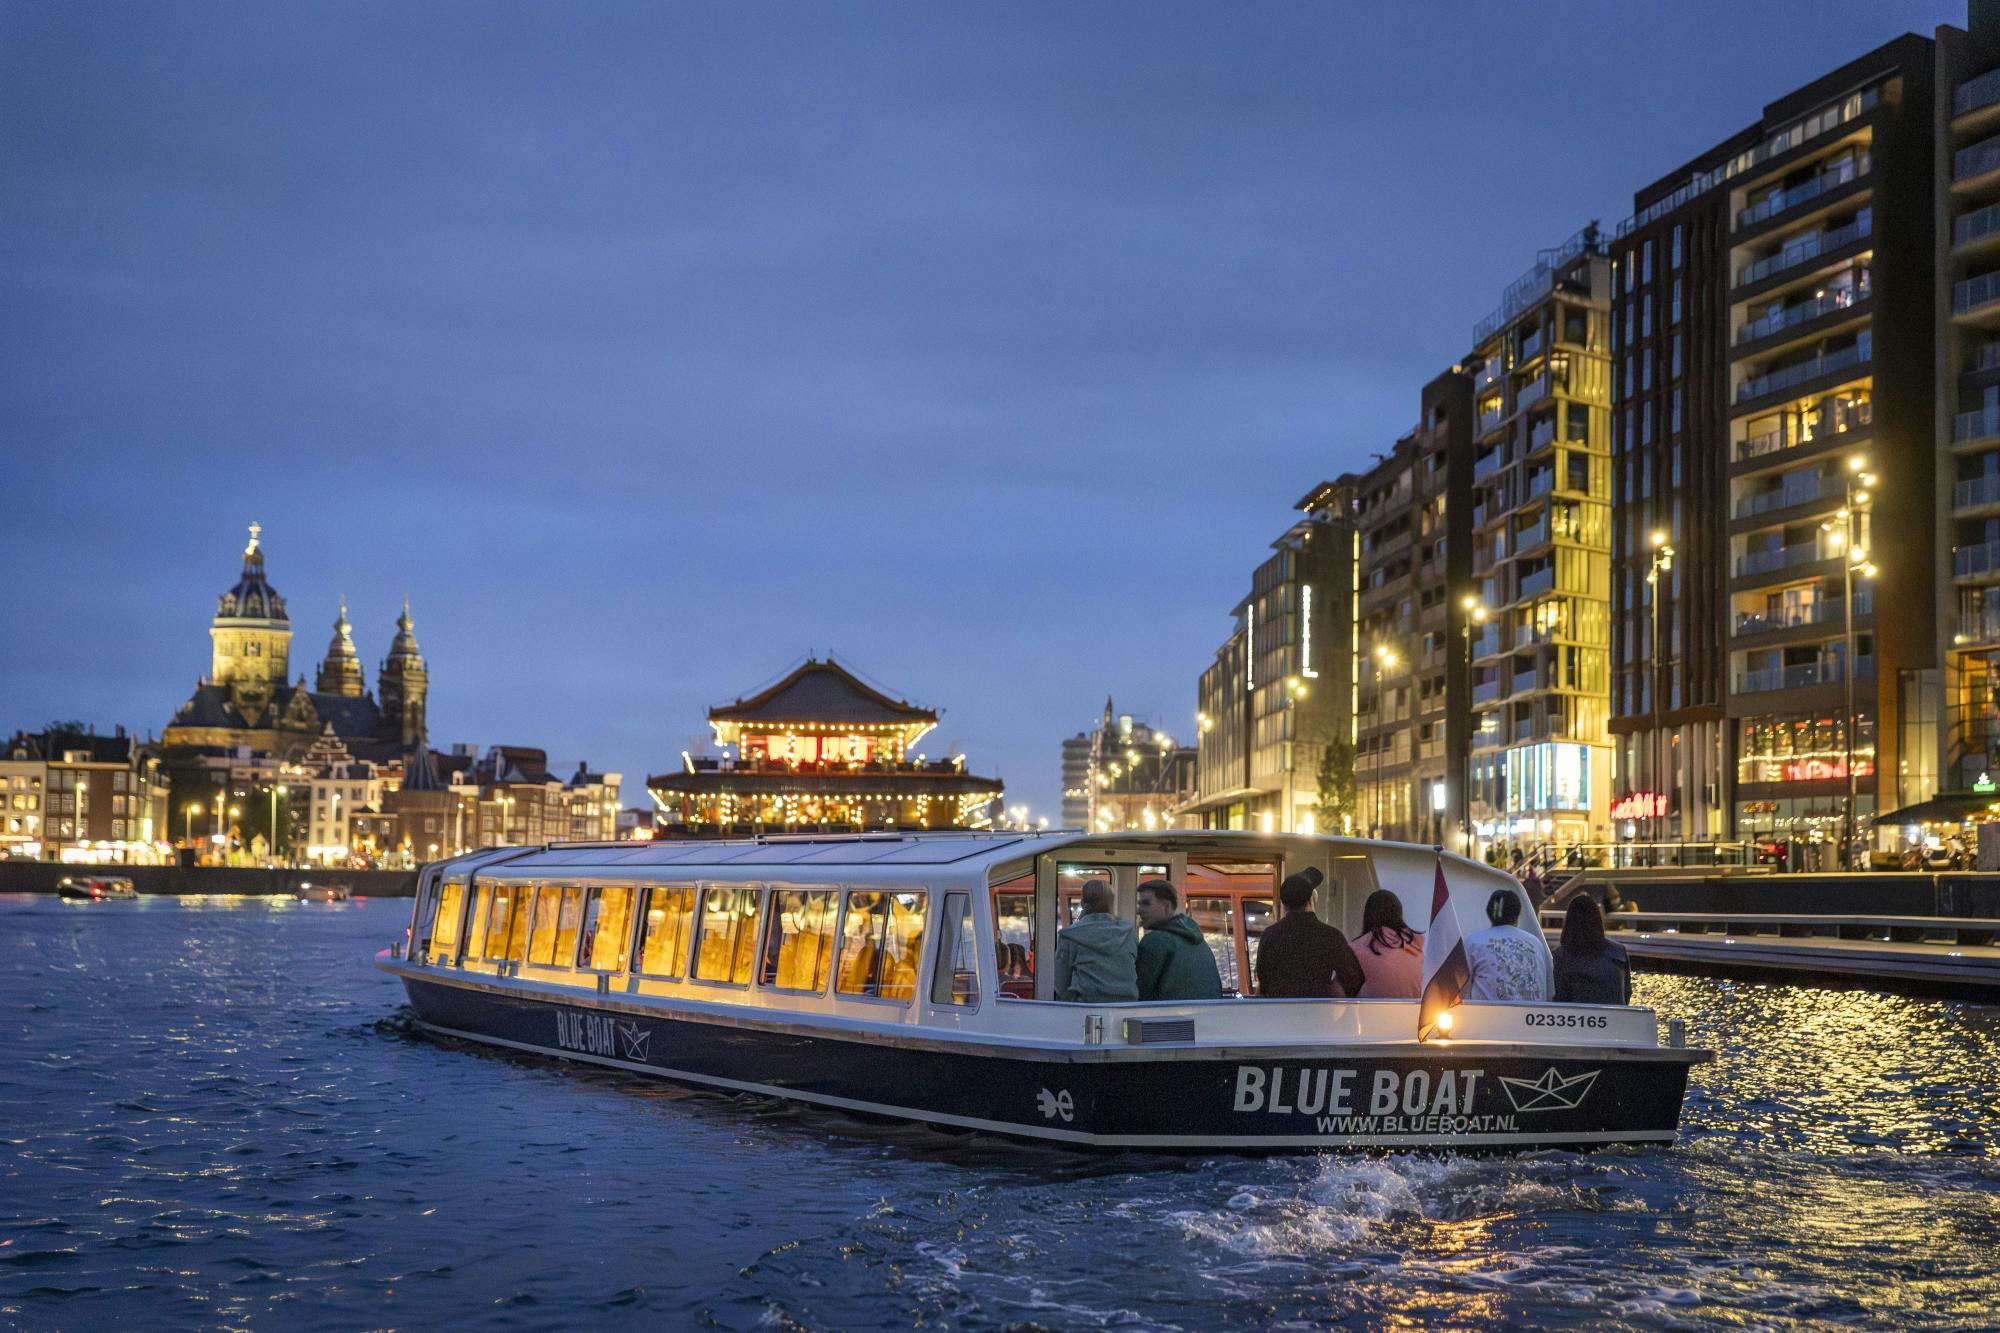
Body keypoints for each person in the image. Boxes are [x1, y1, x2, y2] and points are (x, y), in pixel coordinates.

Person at [1254, 867, 1364, 998]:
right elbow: (1354, 980)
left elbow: (1263, 979)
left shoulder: (1270, 935)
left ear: (1284, 904)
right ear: (1310, 900)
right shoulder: (1331, 936)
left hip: (1280, 1012)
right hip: (1318, 1012)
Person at [1134, 878, 1223, 1001]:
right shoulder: (1200, 942)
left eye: (1146, 903)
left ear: (1166, 906)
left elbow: (1139, 993)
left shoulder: (1155, 941)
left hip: (1167, 1017)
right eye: (1139, 904)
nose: (1139, 910)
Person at [1052, 879, 1138, 1002]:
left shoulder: (1070, 935)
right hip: (1127, 1005)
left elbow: (1061, 983)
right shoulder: (1128, 931)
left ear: (1082, 902)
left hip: (1086, 1006)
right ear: (1112, 903)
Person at [1463, 887, 1551, 1001]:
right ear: (1517, 914)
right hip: (1530, 1016)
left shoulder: (1473, 942)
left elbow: (1461, 989)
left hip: (1485, 1016)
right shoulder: (1535, 943)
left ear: (1489, 913)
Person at [1552, 895, 1631, 1004]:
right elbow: (1627, 993)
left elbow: (1559, 998)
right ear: (1598, 920)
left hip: (1576, 1017)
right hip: (1614, 1016)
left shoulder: (1560, 957)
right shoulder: (1619, 953)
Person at [1352, 888, 1424, 998]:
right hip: (1415, 1014)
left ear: (1368, 915)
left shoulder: (1358, 948)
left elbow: (1339, 992)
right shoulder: (1418, 947)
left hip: (1373, 1014)